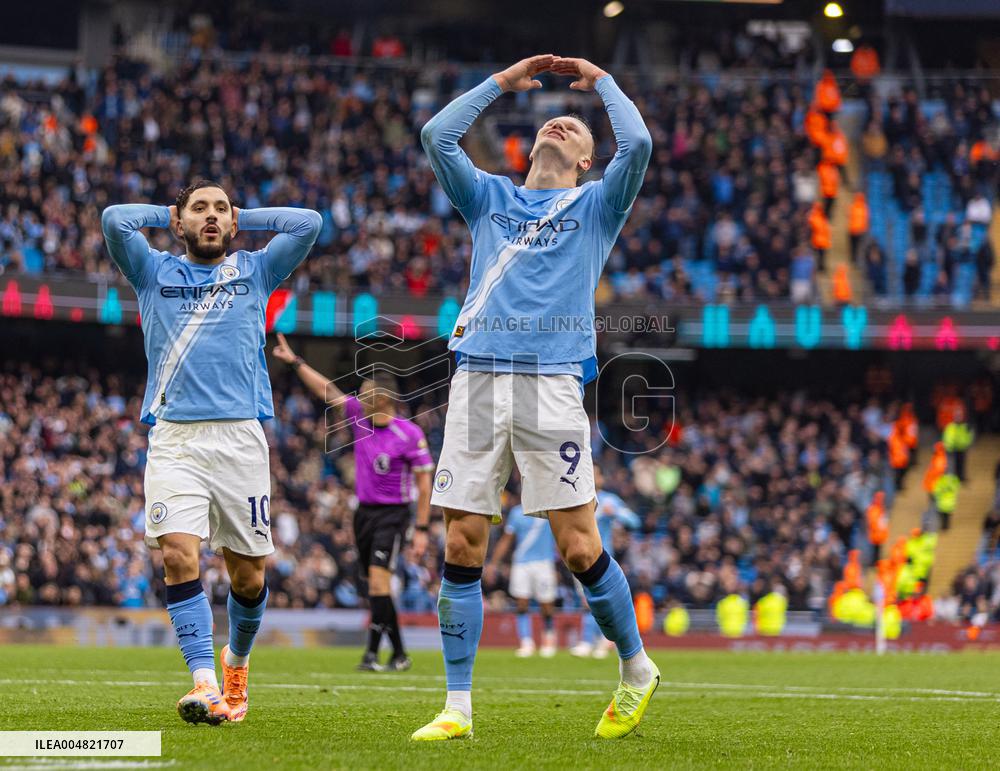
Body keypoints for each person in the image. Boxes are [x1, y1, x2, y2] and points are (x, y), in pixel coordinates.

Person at [413, 54, 657, 742]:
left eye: (576, 130)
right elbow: (437, 135)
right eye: (552, 120)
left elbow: (635, 144)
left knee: (580, 547)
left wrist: (602, 80)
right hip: (478, 379)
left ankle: (636, 667)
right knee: (462, 539)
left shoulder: (596, 205)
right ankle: (457, 706)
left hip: (552, 384)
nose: (561, 125)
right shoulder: (488, 196)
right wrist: (501, 82)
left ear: (585, 161)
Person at [101, 181, 321, 724]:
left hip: (240, 439)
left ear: (233, 220)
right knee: (178, 553)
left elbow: (308, 223)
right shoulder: (153, 273)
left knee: (248, 577)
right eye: (199, 209)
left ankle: (236, 666)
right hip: (175, 439)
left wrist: (245, 214)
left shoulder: (256, 271)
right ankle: (204, 684)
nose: (211, 217)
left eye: (221, 209)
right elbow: (113, 220)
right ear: (179, 223)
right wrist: (170, 210)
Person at [271, 334, 434, 672]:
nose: (358, 394)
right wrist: (296, 361)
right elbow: (327, 391)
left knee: (378, 582)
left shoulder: (410, 434)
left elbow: (424, 481)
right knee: (375, 587)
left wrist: (420, 528)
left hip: (393, 515)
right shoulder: (360, 416)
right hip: (364, 513)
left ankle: (371, 654)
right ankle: (400, 653)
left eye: (364, 390)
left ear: (383, 398)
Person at [570, 465, 641, 658]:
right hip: (579, 558)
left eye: (596, 474)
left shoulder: (609, 500)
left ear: (601, 478)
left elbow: (634, 522)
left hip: (602, 559)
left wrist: (616, 513)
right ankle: (589, 641)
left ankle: (603, 641)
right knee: (586, 601)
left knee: (600, 601)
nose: (592, 477)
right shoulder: (575, 498)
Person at [487, 495, 559, 657]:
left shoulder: (549, 510)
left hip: (544, 562)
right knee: (521, 602)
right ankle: (526, 642)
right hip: (521, 563)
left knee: (547, 603)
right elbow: (507, 539)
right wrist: (493, 563)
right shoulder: (516, 513)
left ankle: (548, 638)